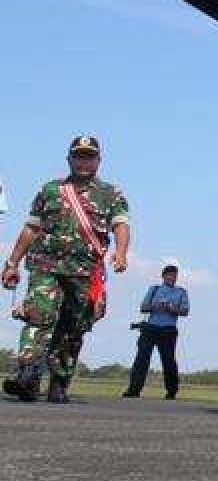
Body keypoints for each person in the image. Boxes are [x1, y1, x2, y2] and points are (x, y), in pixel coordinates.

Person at [2, 136, 130, 404]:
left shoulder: (110, 193)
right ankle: (27, 374)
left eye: (89, 156)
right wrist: (12, 263)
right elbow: (31, 228)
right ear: (69, 158)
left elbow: (120, 224)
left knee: (74, 326)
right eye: (78, 156)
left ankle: (59, 379)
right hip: (45, 265)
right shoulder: (50, 190)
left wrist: (120, 252)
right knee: (38, 316)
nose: (83, 161)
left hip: (84, 270)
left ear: (98, 160)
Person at [123, 265, 190, 399]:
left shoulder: (181, 292)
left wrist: (171, 308)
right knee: (141, 358)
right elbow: (143, 307)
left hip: (168, 329)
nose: (172, 278)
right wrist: (156, 306)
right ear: (163, 276)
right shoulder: (154, 289)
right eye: (169, 275)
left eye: (174, 275)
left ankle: (171, 391)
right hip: (151, 327)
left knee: (168, 360)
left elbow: (185, 311)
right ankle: (134, 389)